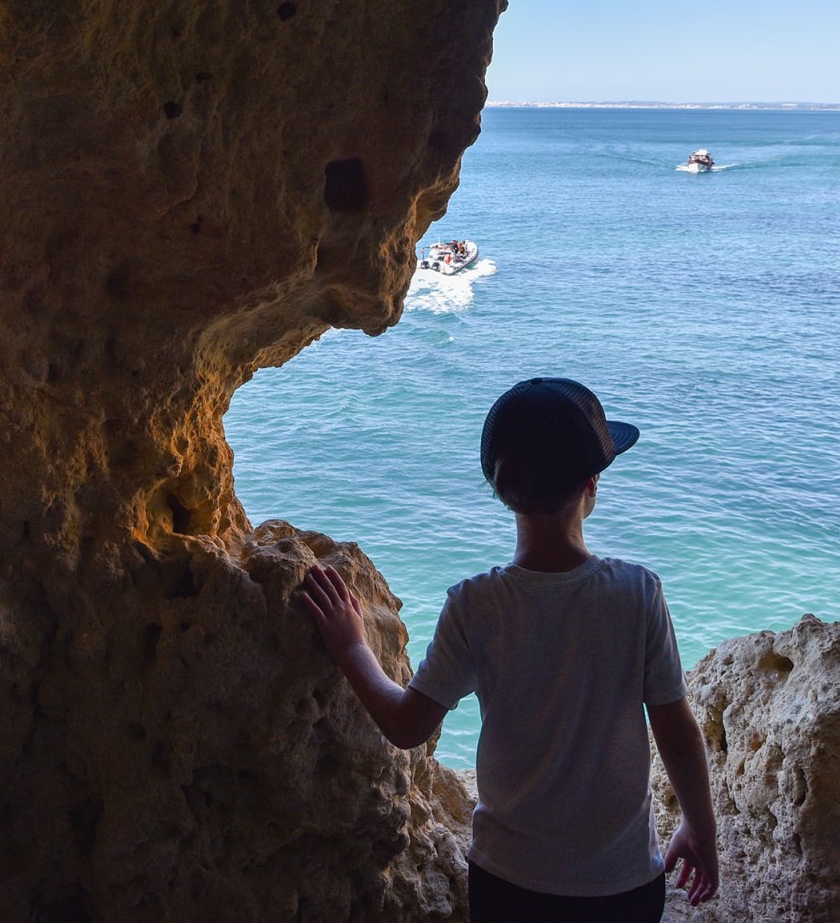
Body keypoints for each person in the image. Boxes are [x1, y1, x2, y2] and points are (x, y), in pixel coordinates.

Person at [299, 377, 720, 921]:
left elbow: (405, 726)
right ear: (591, 482)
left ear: (501, 490)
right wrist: (699, 828)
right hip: (620, 882)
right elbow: (676, 732)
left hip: (509, 880)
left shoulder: (475, 605)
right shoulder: (637, 593)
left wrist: (351, 645)